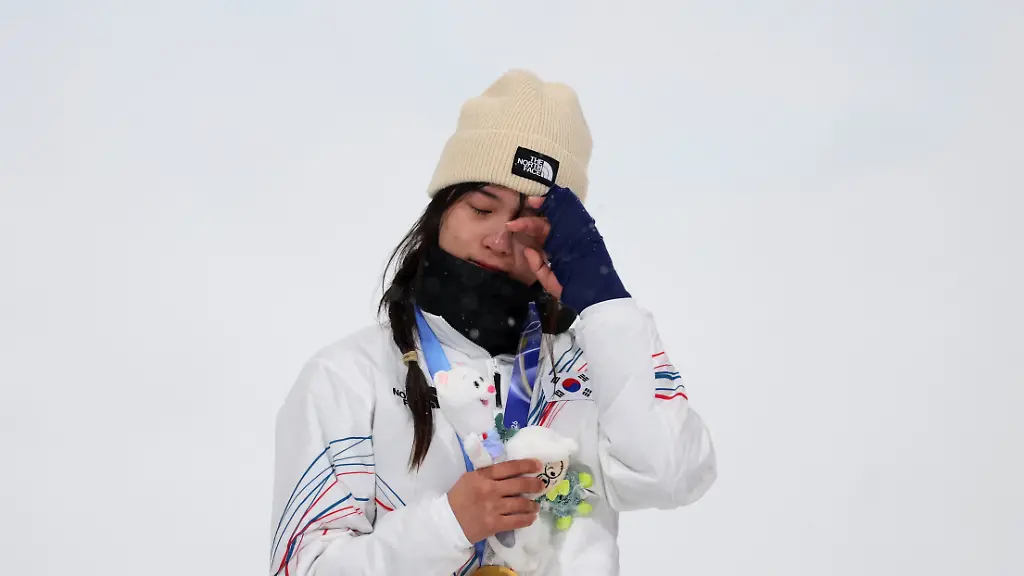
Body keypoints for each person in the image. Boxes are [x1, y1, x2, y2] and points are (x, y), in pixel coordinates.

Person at [268, 69, 717, 576]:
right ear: (440, 212)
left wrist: (605, 301)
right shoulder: (349, 378)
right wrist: (447, 526)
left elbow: (672, 476)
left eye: (526, 221)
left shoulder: (599, 360)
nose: (500, 239)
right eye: (482, 208)